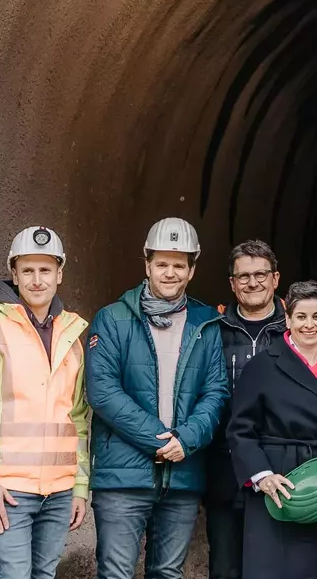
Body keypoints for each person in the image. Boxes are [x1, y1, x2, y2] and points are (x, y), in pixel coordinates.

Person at [86, 217, 229, 579]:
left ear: (192, 271)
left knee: (167, 572)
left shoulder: (206, 324)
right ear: (147, 264)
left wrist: (187, 439)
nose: (170, 273)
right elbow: (102, 391)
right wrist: (159, 439)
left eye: (179, 265)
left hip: (182, 476)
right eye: (162, 264)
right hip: (124, 476)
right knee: (116, 572)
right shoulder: (113, 319)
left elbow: (216, 391)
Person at [0, 226, 90, 579]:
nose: (37, 280)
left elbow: (79, 419)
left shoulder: (72, 339)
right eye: (27, 270)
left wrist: (80, 487)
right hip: (9, 492)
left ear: (59, 273)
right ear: (14, 274)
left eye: (45, 270)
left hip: (59, 491)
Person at [227, 280, 317, 579]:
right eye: (301, 316)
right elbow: (240, 431)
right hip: (277, 484)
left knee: (314, 572)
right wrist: (262, 476)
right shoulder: (262, 366)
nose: (309, 325)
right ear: (288, 319)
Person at [205, 239, 288, 579]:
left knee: (275, 568)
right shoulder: (212, 330)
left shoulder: (296, 329)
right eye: (243, 277)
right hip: (226, 468)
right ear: (232, 283)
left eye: (260, 274)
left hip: (282, 467)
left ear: (276, 278)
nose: (252, 283)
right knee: (225, 567)